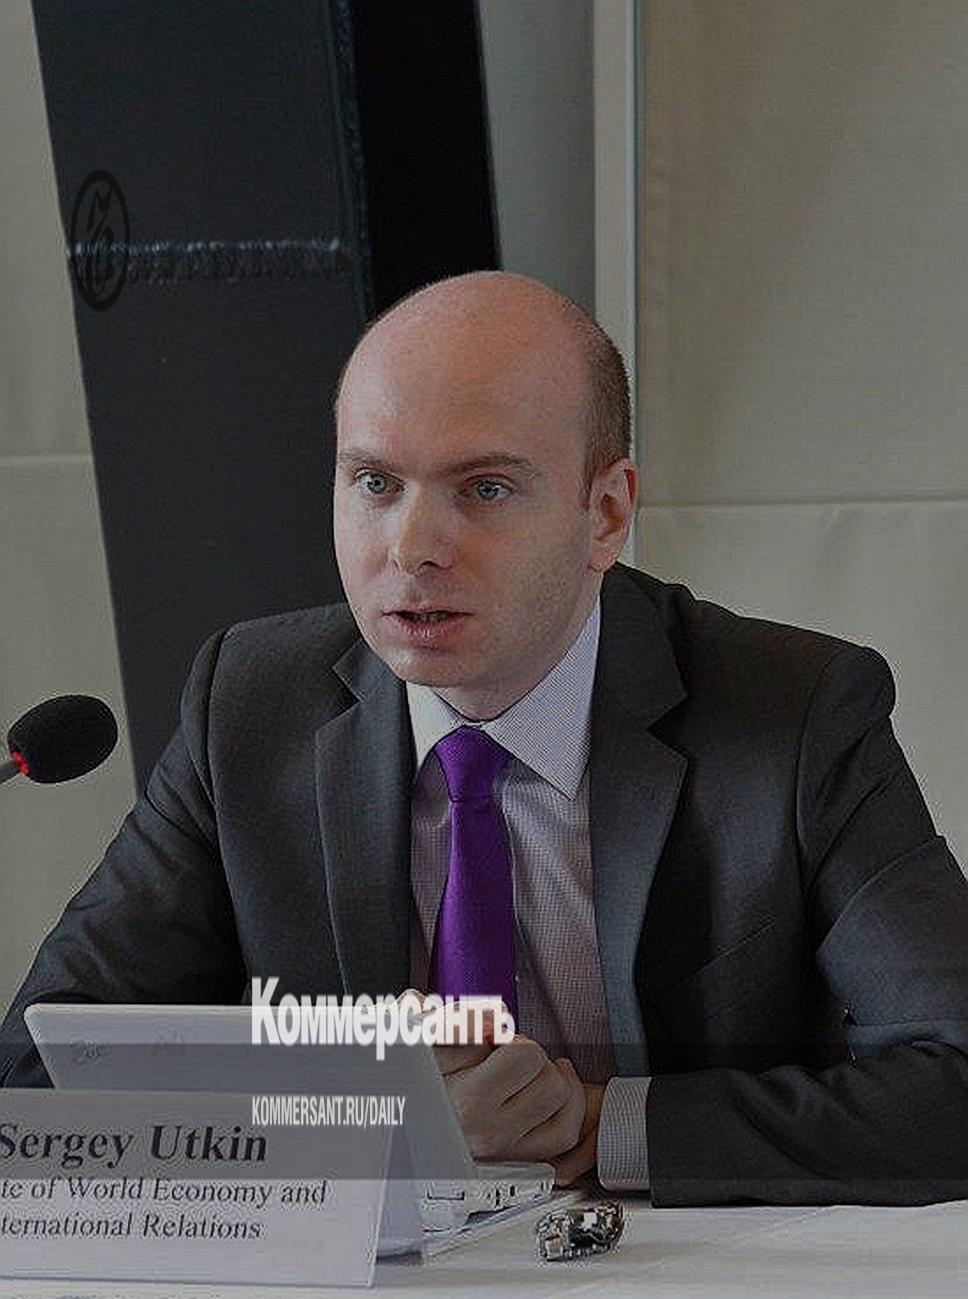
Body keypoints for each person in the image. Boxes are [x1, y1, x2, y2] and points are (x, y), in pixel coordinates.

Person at [2, 271, 967, 1205]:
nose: (412, 546)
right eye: (375, 482)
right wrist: (378, 1123)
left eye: (486, 489)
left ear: (606, 513)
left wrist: (600, 1124)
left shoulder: (795, 714)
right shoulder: (250, 708)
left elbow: (955, 1075)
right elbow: (37, 1076)